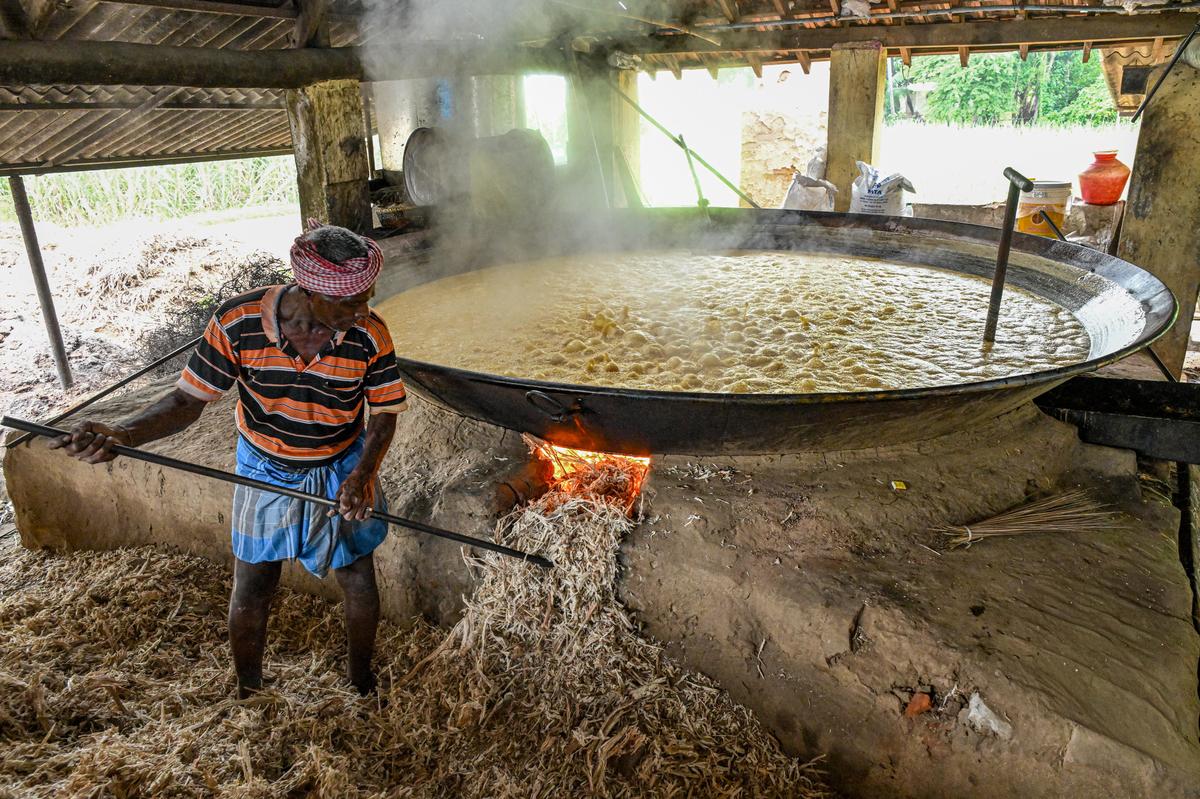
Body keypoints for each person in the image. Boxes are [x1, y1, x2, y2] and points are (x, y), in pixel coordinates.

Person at [51, 223, 408, 698]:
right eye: (349, 303)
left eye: (366, 298)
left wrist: (364, 474)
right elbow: (185, 402)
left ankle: (362, 682)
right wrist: (126, 432)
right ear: (307, 291)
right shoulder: (236, 322)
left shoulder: (369, 334)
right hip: (265, 464)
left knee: (357, 574)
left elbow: (383, 412)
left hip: (342, 461)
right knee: (255, 580)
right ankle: (248, 690)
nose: (361, 311)